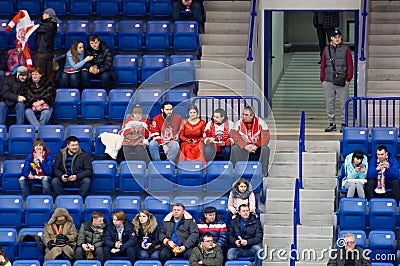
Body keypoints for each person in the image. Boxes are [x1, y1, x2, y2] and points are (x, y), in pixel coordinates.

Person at [320, 29, 354, 132]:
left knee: (344, 103)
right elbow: (323, 65)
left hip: (342, 80)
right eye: (335, 37)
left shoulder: (346, 49)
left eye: (339, 37)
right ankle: (332, 122)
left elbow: (350, 65)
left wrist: (348, 79)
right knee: (329, 102)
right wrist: (322, 78)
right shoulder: (326, 50)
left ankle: (344, 123)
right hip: (328, 80)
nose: (338, 39)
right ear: (331, 38)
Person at [230, 106, 270, 177]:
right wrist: (245, 146)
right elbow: (235, 136)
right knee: (235, 148)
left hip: (256, 147)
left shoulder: (261, 123)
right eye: (243, 114)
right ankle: (241, 170)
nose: (243, 116)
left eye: (246, 115)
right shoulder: (239, 123)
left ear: (252, 116)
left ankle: (263, 172)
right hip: (245, 147)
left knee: (265, 149)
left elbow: (265, 137)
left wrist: (256, 146)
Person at [35, 8, 58, 80]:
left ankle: (43, 89)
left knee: (41, 73)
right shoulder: (53, 24)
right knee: (48, 73)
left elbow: (35, 29)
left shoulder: (48, 25)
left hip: (43, 52)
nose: (42, 15)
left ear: (48, 15)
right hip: (48, 51)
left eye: (44, 14)